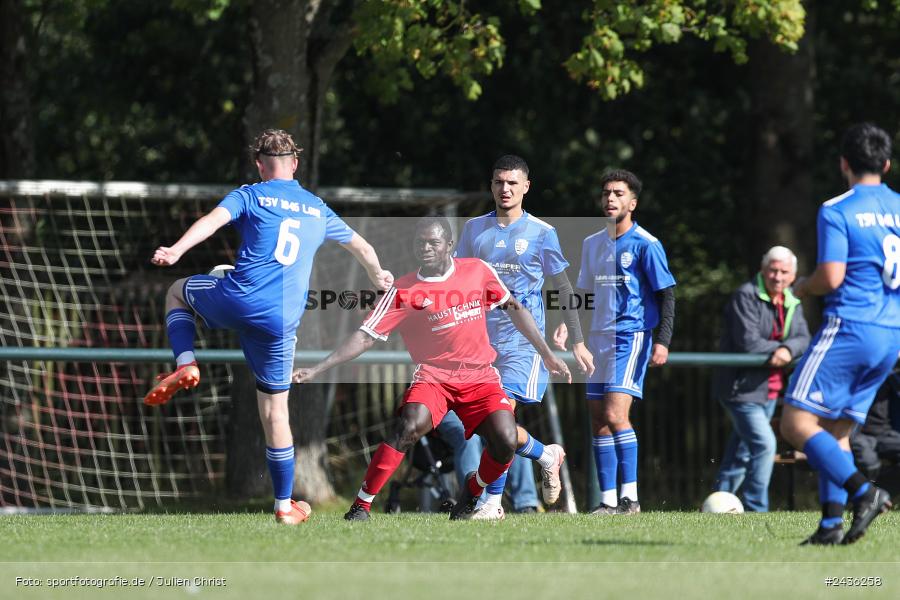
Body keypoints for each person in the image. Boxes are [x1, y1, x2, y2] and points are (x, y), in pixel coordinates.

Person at [144, 129, 393, 525]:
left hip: (239, 298)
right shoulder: (316, 207)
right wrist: (379, 275)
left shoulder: (250, 194)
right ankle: (283, 506)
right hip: (281, 321)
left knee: (176, 292)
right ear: (295, 164)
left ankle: (187, 361)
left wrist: (176, 249)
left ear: (260, 165)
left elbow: (211, 222)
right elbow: (363, 248)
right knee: (276, 411)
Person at [292, 216, 571, 521]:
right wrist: (319, 368)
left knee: (504, 439)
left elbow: (515, 309)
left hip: (480, 377)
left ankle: (473, 491)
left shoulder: (477, 271)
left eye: (433, 242)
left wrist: (545, 353)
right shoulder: (404, 290)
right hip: (434, 378)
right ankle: (361, 506)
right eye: (419, 242)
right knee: (408, 426)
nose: (425, 247)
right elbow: (365, 336)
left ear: (450, 246)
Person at [438, 154, 593, 519]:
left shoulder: (541, 232)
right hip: (480, 344)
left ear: (526, 186)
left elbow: (563, 286)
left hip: (523, 344)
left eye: (512, 183)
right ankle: (545, 454)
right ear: (491, 185)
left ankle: (491, 504)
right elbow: (458, 281)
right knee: (491, 426)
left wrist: (578, 338)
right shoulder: (475, 229)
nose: (504, 189)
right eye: (498, 182)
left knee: (500, 419)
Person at [781, 122, 900, 545]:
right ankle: (830, 526)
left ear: (844, 164)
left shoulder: (838, 208)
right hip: (890, 333)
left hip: (850, 327)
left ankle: (865, 493)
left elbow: (832, 277)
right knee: (835, 431)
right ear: (886, 164)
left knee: (795, 422)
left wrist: (802, 285)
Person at [569, 168, 676, 515]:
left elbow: (667, 295)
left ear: (633, 202)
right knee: (598, 418)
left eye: (618, 193)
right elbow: (584, 293)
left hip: (630, 337)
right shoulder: (591, 244)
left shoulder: (646, 244)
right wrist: (568, 328)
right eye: (606, 193)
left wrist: (662, 340)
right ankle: (608, 501)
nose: (610, 199)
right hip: (596, 340)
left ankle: (631, 499)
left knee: (616, 414)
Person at [711, 246, 810, 512]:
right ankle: (756, 508)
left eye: (784, 272)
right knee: (765, 446)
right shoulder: (745, 296)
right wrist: (779, 349)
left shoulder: (790, 300)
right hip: (740, 390)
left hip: (769, 389)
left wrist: (787, 350)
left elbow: (803, 337)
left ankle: (718, 504)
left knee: (741, 451)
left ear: (793, 275)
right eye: (773, 270)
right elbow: (748, 342)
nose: (778, 277)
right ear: (763, 270)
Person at [850, 366, 900, 483]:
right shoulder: (855, 380)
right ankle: (870, 496)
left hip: (886, 434)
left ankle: (887, 494)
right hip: (859, 435)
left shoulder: (891, 379)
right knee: (867, 460)